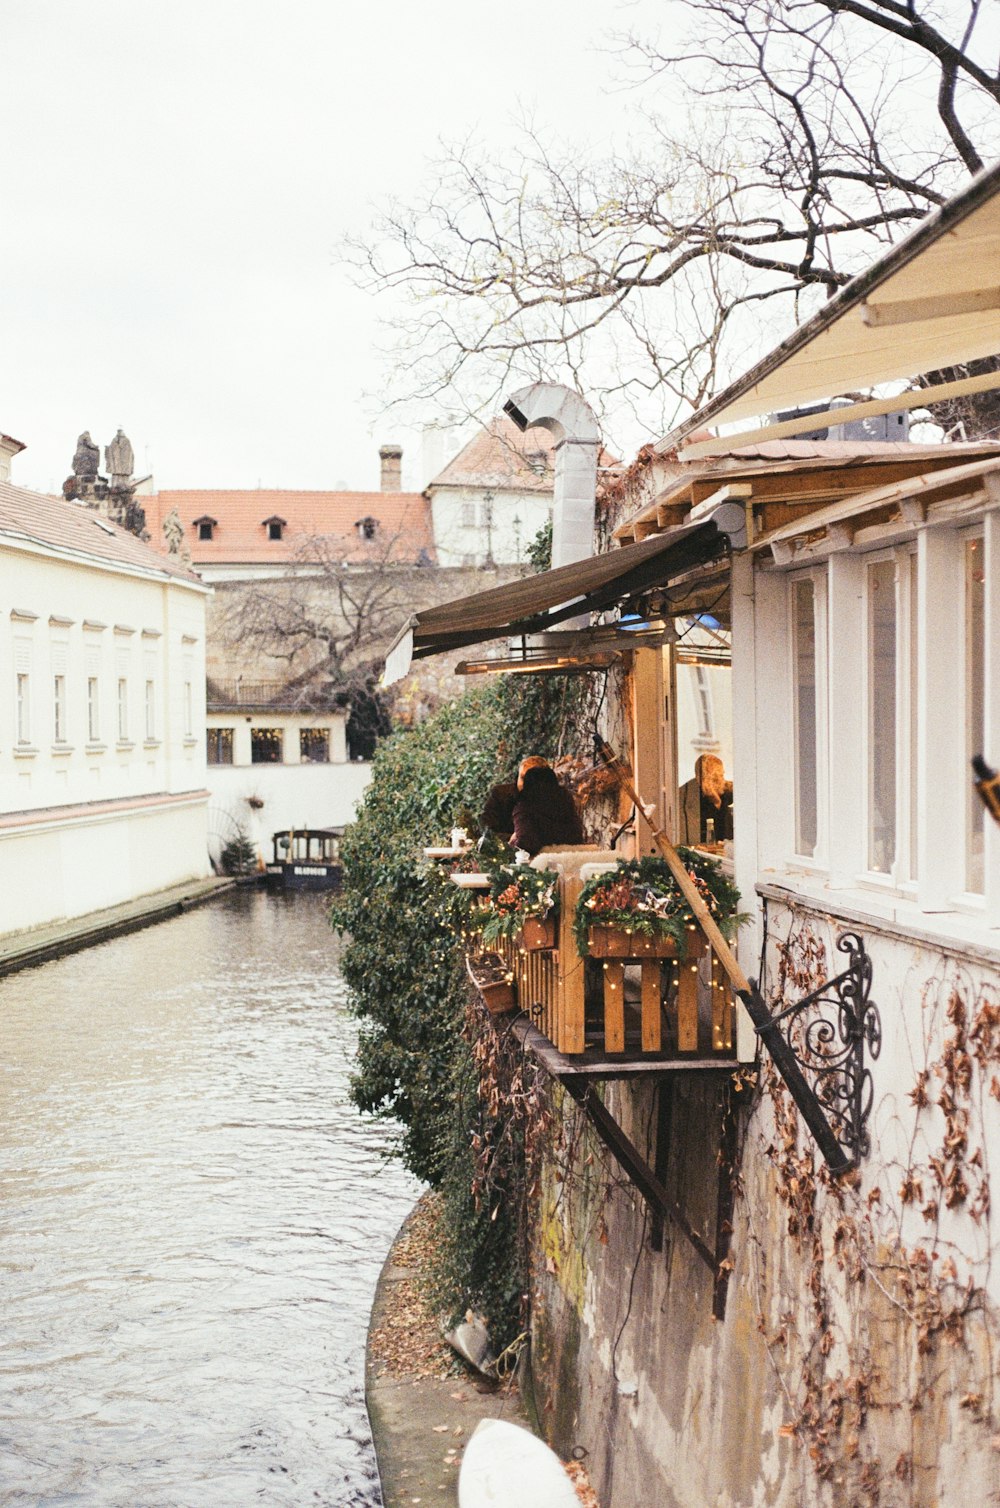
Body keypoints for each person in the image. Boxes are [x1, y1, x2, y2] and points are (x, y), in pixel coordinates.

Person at [511, 760, 585, 857]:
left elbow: (527, 844)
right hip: (574, 858)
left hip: (541, 865)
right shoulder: (565, 801)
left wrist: (513, 844)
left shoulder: (524, 808)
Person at [679, 753, 733, 845]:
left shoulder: (726, 791)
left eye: (721, 775)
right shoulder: (688, 795)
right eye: (715, 778)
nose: (721, 780)